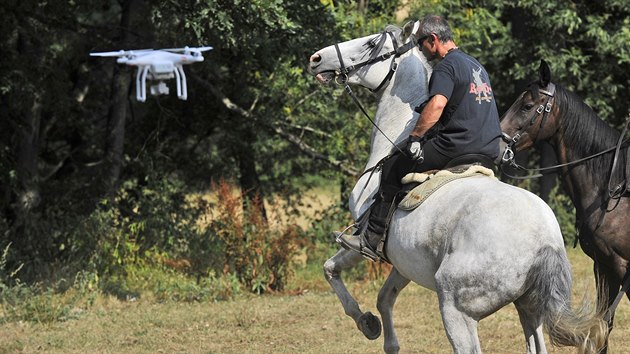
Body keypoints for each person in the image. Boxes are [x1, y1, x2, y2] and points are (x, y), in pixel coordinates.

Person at [337, 15, 502, 261]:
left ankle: (371, 238)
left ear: (433, 39)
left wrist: (415, 137)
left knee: (392, 165)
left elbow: (437, 105)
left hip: (457, 147)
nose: (421, 49)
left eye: (421, 42)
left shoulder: (446, 66)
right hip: (489, 150)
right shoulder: (475, 65)